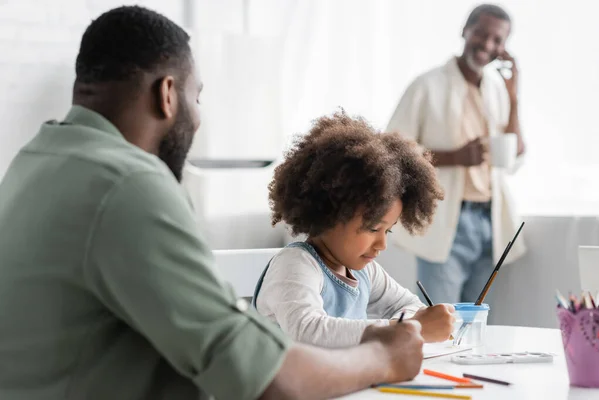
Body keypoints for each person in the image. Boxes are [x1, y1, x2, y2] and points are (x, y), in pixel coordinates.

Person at [0, 6, 428, 400]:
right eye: (197, 97)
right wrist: (384, 357)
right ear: (167, 94)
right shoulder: (127, 183)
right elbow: (262, 376)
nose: (198, 116)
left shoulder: (34, 161)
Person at [253, 111, 453, 348]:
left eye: (387, 231)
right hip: (289, 383)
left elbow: (409, 306)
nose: (382, 245)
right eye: (372, 228)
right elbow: (308, 330)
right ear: (330, 214)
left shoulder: (364, 272)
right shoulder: (296, 264)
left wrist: (418, 320)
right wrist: (409, 329)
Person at [386, 4, 526, 304]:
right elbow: (392, 153)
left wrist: (514, 97)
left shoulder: (498, 90)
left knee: (478, 329)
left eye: (497, 40)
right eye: (481, 34)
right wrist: (455, 157)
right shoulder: (427, 86)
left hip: (490, 222)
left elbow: (514, 157)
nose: (487, 45)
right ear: (465, 30)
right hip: (448, 222)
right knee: (441, 326)